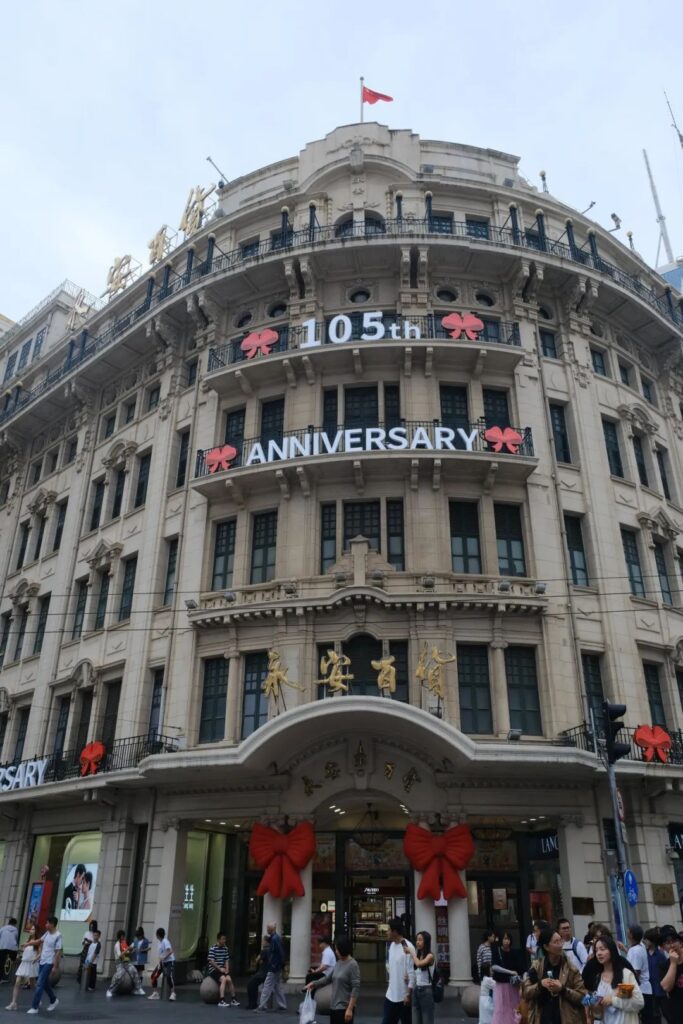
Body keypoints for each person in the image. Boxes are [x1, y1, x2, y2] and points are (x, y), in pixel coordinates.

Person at [521, 925, 586, 1024]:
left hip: (566, 1018)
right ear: (546, 947)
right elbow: (526, 992)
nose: (560, 945)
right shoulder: (536, 967)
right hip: (543, 1018)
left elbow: (582, 997)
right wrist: (540, 984)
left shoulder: (571, 968)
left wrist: (562, 989)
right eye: (556, 942)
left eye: (561, 941)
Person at [587, 934, 644, 1023]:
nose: (599, 953)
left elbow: (638, 1002)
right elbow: (593, 1007)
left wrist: (613, 1001)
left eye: (602, 949)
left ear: (612, 950)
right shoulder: (598, 977)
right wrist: (595, 1006)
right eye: (596, 950)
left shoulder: (624, 975)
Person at [307, 933, 360, 1024]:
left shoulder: (353, 965)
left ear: (343, 949)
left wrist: (350, 1009)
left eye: (337, 949)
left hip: (344, 1008)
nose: (335, 951)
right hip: (334, 1006)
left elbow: (356, 988)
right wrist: (314, 984)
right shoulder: (338, 963)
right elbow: (328, 979)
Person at [381, 916, 415, 1024]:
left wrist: (408, 994)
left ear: (395, 932)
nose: (387, 932)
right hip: (390, 994)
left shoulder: (408, 947)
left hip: (403, 996)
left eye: (389, 930)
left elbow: (411, 972)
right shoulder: (391, 946)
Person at [27, 915, 61, 1015]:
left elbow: (58, 952)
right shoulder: (47, 934)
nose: (45, 925)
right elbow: (39, 941)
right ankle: (54, 1000)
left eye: (47, 923)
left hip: (49, 962)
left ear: (52, 924)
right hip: (42, 960)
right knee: (44, 983)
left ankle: (35, 1007)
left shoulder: (58, 936)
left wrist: (55, 966)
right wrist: (28, 944)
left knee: (39, 983)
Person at [491, 931, 524, 1024]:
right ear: (501, 939)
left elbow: (520, 968)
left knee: (514, 1007)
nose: (507, 941)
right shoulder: (496, 951)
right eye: (505, 939)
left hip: (513, 985)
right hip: (501, 985)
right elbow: (494, 966)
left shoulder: (515, 953)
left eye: (508, 939)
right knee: (501, 1008)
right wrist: (510, 972)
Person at [5, 925, 41, 1010]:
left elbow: (40, 953)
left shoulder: (37, 942)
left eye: (33, 929)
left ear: (36, 931)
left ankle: (38, 998)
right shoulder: (28, 940)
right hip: (24, 963)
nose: (31, 930)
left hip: (31, 964)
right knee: (17, 982)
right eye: (31, 929)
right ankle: (13, 1003)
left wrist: (36, 959)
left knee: (32, 985)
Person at [257, 922, 287, 1012]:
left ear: (271, 929)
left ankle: (262, 1006)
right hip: (276, 966)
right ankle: (283, 1005)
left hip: (274, 966)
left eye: (268, 928)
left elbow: (277, 953)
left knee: (267, 986)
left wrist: (275, 965)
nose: (267, 930)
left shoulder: (274, 939)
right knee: (277, 986)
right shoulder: (275, 938)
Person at [107, 929, 145, 998]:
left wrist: (132, 950)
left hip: (127, 962)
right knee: (119, 976)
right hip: (120, 964)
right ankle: (110, 990)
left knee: (134, 971)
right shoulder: (117, 945)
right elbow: (119, 955)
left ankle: (138, 988)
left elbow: (127, 953)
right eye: (123, 936)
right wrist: (127, 949)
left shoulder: (124, 943)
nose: (124, 937)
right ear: (120, 936)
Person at [407, 930, 435, 1024]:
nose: (417, 942)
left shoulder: (430, 956)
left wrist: (412, 953)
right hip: (416, 989)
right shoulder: (418, 955)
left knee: (427, 1019)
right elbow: (416, 970)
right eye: (417, 940)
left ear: (426, 941)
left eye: (420, 940)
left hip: (426, 990)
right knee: (415, 1019)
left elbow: (419, 964)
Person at [626, 925, 652, 1023]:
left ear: (631, 935)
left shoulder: (635, 951)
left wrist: (624, 993)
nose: (627, 932)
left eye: (628, 931)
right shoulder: (640, 946)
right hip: (644, 989)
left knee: (642, 1019)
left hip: (641, 990)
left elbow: (635, 973)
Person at [207, 931, 239, 1007]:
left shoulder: (225, 948)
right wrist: (220, 969)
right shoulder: (213, 948)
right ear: (218, 940)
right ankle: (221, 1000)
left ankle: (233, 999)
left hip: (222, 969)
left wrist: (227, 969)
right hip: (214, 970)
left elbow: (226, 960)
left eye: (225, 939)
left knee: (229, 979)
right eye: (223, 939)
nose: (224, 941)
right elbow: (211, 961)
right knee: (224, 979)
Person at [658, 926, 683, 1024]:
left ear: (680, 942)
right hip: (677, 1015)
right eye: (667, 943)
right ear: (663, 948)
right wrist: (673, 963)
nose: (672, 945)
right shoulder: (664, 966)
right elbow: (666, 987)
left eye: (674, 941)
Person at [644, 929, 667, 1024]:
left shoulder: (661, 956)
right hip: (649, 989)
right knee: (653, 1015)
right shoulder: (644, 953)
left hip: (660, 989)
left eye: (646, 939)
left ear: (652, 941)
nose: (644, 941)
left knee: (664, 1013)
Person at [148, 928, 176, 1001]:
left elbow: (170, 951)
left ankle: (173, 993)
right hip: (162, 962)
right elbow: (161, 954)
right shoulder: (159, 943)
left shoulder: (165, 941)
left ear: (158, 935)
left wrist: (163, 957)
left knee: (169, 976)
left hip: (170, 961)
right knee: (153, 975)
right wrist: (160, 960)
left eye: (156, 934)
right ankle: (155, 993)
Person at [247, 935, 270, 1011]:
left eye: (263, 941)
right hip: (267, 972)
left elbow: (258, 961)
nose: (262, 942)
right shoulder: (271, 950)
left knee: (251, 983)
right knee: (253, 983)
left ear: (266, 941)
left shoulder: (264, 950)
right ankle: (254, 1003)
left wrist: (259, 958)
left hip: (262, 973)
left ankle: (252, 1004)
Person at [76, 920, 98, 985]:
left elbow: (96, 943)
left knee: (90, 966)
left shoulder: (95, 934)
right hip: (85, 950)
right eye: (90, 926)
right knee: (82, 965)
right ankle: (80, 979)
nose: (91, 927)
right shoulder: (86, 933)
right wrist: (85, 942)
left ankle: (89, 982)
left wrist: (90, 942)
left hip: (91, 951)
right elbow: (82, 942)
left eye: (92, 926)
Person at [0, 918, 19, 984]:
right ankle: (12, 975)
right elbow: (16, 939)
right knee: (13, 960)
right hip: (13, 949)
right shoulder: (16, 930)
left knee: (1, 962)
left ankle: (1, 977)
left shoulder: (2, 928)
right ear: (15, 924)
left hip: (3, 947)